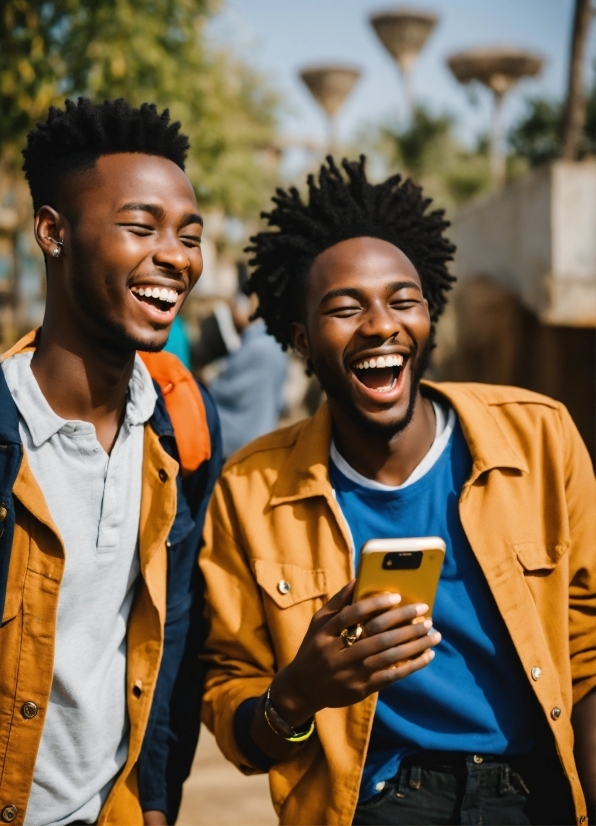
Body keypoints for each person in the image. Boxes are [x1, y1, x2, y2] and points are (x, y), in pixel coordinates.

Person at [200, 157, 595, 826]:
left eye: (402, 298)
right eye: (345, 307)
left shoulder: (540, 438)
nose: (381, 324)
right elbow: (236, 715)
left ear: (428, 315)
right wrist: (296, 696)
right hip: (376, 800)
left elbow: (588, 653)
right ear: (301, 340)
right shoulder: (251, 491)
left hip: (533, 791)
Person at [0, 98, 222, 826]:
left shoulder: (178, 429)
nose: (177, 255)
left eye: (189, 235)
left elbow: (173, 632)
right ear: (53, 231)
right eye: (141, 227)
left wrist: (155, 800)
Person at [208, 293, 288, 460]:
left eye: (235, 307)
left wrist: (210, 382)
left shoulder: (257, 347)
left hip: (238, 446)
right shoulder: (273, 344)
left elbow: (223, 392)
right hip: (259, 440)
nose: (232, 313)